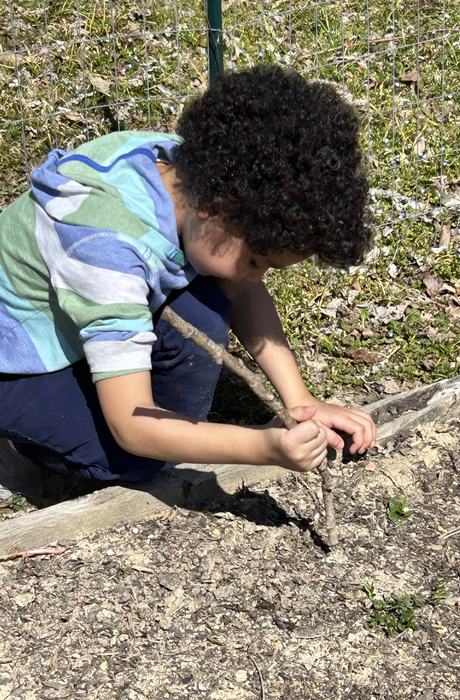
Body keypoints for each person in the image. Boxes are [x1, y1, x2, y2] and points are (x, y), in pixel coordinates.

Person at [0, 64, 376, 488]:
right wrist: (261, 446)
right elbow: (133, 425)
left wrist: (301, 402)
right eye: (257, 261)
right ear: (214, 209)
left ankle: (114, 379)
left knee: (212, 303)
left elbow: (241, 289)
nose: (259, 278)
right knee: (130, 457)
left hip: (80, 302)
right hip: (16, 358)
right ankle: (25, 445)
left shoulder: (192, 169)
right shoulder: (105, 247)